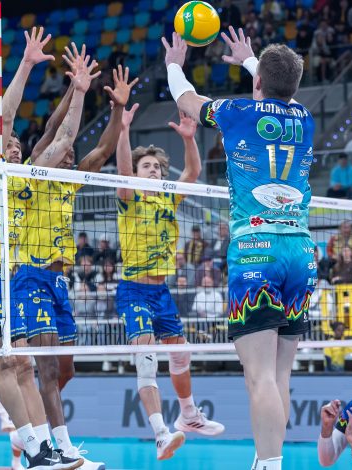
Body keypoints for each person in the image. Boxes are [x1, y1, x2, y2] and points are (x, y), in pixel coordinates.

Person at [165, 27, 317, 469]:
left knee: (260, 376)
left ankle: (268, 464)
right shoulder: (304, 117)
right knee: (279, 375)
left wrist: (174, 63)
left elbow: (186, 100)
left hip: (256, 251)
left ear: (257, 83)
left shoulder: (237, 112)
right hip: (300, 251)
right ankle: (268, 460)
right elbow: (279, 92)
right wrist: (253, 61)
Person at [0, 27, 83, 470]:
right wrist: (25, 63)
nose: (12, 146)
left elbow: (63, 140)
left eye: (17, 146)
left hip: (5, 278)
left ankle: (44, 449)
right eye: (7, 143)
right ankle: (34, 448)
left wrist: (80, 91)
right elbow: (4, 117)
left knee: (24, 364)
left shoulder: (25, 182)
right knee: (6, 361)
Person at [13, 49, 136, 469]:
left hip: (59, 282)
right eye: (63, 151)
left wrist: (117, 110)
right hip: (30, 276)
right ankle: (58, 449)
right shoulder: (33, 173)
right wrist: (76, 89)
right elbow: (55, 130)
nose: (69, 154)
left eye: (71, 153)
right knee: (48, 371)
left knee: (65, 371)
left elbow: (102, 150)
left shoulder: (70, 182)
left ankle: (34, 425)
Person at [115, 100, 225, 459]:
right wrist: (124, 130)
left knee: (181, 351)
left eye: (157, 167)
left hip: (161, 291)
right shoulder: (128, 198)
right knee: (146, 357)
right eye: (146, 166)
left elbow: (192, 172)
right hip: (133, 289)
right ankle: (161, 434)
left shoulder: (167, 200)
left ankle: (189, 416)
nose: (153, 170)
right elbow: (122, 170)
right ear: (136, 172)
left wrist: (189, 139)